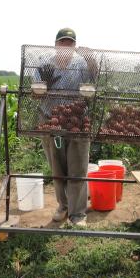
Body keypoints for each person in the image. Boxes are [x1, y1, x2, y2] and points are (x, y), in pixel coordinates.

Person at [33, 28, 92, 226]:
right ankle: (63, 206)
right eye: (62, 42)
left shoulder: (81, 63)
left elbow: (91, 87)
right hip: (51, 120)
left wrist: (93, 65)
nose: (66, 46)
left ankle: (78, 214)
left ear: (74, 46)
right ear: (56, 45)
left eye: (70, 43)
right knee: (57, 168)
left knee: (77, 169)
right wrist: (41, 89)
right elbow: (35, 91)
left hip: (76, 121)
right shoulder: (43, 63)